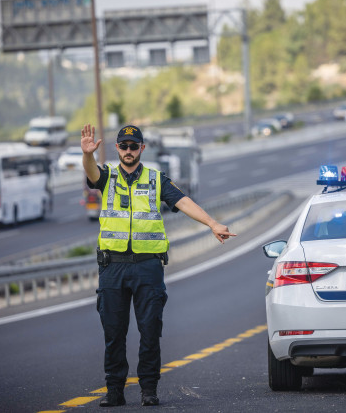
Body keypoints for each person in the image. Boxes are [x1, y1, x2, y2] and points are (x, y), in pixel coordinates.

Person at [81, 123, 236, 407]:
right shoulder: (107, 176)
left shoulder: (156, 179)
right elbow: (91, 173)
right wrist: (88, 154)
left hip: (148, 267)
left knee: (150, 330)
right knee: (114, 332)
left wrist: (212, 223)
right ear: (117, 149)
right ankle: (114, 390)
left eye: (133, 146)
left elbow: (184, 201)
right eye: (123, 146)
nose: (128, 151)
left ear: (142, 148)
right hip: (112, 267)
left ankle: (148, 389)